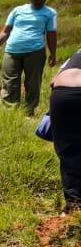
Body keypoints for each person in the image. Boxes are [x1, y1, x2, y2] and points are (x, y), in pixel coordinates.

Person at [0, 0, 59, 115]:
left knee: (32, 83)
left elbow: (51, 34)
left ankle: (28, 111)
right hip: (11, 51)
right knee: (9, 81)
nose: (40, 1)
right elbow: (5, 32)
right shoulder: (17, 10)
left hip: (35, 52)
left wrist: (53, 54)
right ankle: (10, 111)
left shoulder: (50, 13)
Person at [48, 48, 81, 212]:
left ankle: (74, 207)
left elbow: (52, 81)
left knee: (68, 153)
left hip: (63, 94)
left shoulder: (78, 52)